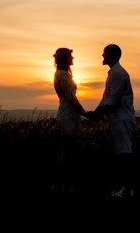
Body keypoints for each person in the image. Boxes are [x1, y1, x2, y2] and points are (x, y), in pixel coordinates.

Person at [87, 43, 135, 199]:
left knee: (124, 154)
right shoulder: (113, 74)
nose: (102, 55)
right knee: (120, 153)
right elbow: (105, 99)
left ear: (114, 55)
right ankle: (125, 188)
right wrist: (95, 114)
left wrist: (95, 116)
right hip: (116, 120)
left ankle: (127, 189)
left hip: (121, 119)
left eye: (105, 53)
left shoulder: (119, 74)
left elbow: (112, 101)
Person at [52, 47, 86, 193]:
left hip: (69, 115)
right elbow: (71, 98)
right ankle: (64, 184)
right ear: (65, 59)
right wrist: (85, 113)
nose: (73, 58)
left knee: (69, 151)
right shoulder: (62, 75)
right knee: (68, 151)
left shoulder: (62, 74)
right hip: (68, 117)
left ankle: (65, 184)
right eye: (71, 56)